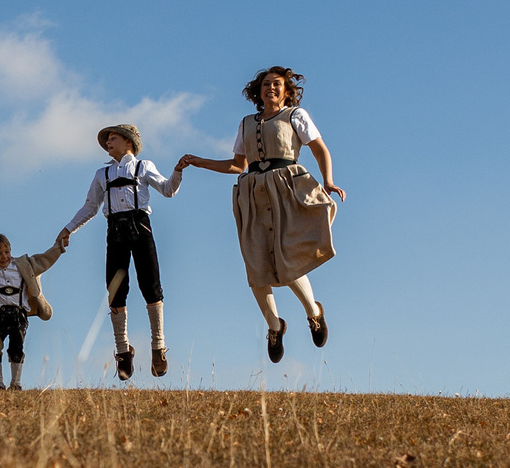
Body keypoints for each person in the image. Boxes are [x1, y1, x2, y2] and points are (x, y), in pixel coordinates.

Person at [174, 66, 344, 363]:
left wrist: (327, 180)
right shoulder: (245, 123)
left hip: (286, 189)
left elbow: (320, 150)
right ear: (258, 90)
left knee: (286, 258)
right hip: (252, 194)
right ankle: (275, 326)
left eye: (277, 84)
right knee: (256, 265)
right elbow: (239, 165)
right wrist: (201, 162)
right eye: (266, 84)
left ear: (287, 90)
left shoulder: (296, 116)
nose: (271, 88)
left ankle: (314, 313)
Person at [57, 123, 183, 380]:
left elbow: (168, 190)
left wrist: (178, 171)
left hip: (141, 227)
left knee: (151, 285)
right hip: (114, 231)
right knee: (115, 290)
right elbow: (90, 208)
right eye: (107, 140)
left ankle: (158, 346)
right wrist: (68, 229)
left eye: (113, 138)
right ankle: (123, 351)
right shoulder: (101, 175)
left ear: (129, 142)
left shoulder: (143, 166)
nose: (108, 143)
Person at [0, 230, 66, 389]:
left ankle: (16, 384)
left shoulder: (23, 265)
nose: (4, 256)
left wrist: (59, 247)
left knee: (16, 348)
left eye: (7, 252)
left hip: (19, 315)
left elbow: (44, 260)